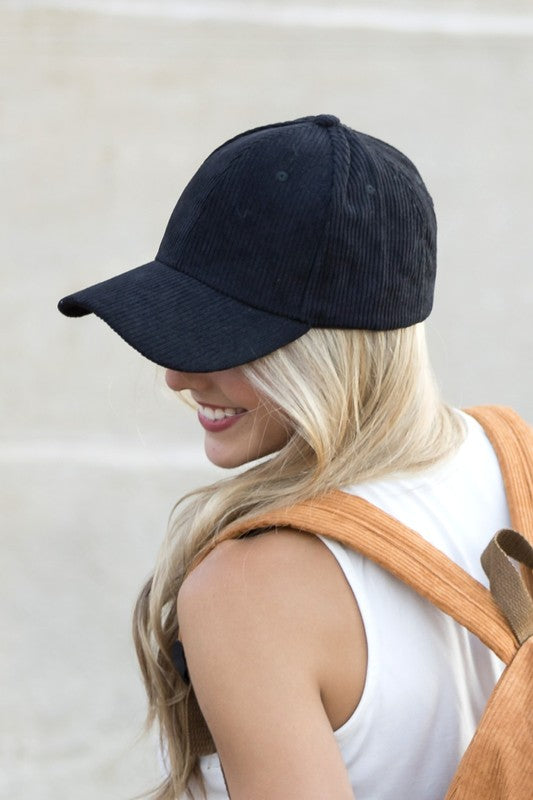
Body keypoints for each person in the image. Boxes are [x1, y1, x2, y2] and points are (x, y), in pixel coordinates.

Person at [58, 115, 508, 800]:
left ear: (327, 355)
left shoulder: (250, 590)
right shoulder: (510, 456)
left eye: (218, 340)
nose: (177, 377)